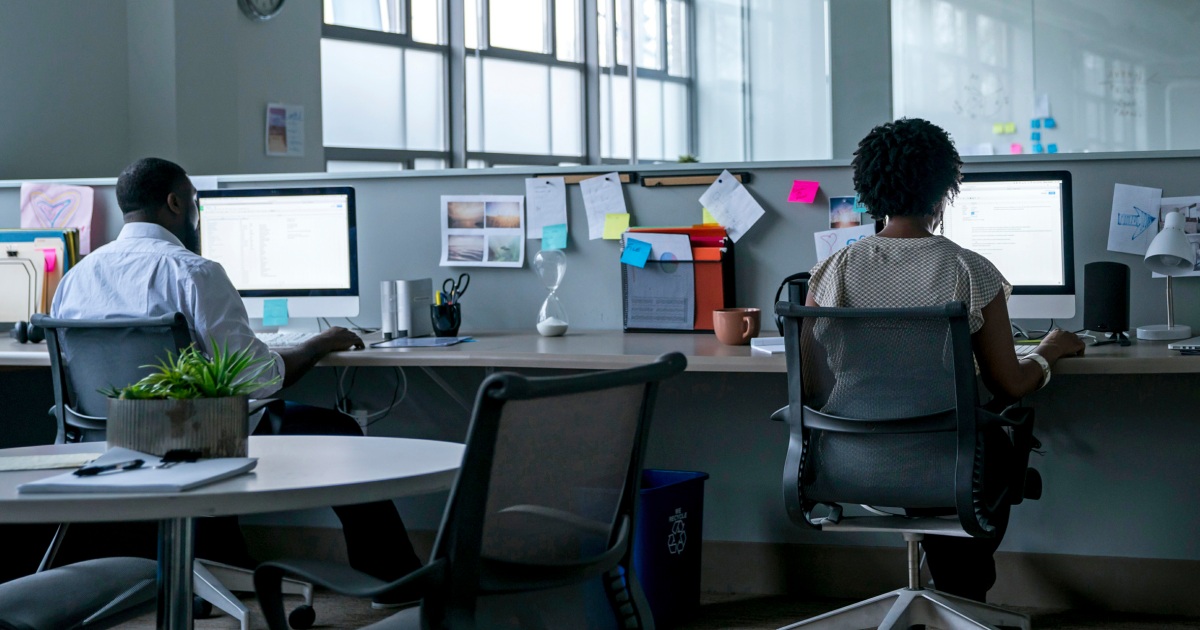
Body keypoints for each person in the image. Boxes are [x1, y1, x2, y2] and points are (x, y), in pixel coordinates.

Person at [49, 157, 422, 594]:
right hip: (193, 435)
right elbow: (257, 379)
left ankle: (220, 553)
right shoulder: (194, 271)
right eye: (193, 201)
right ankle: (397, 582)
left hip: (109, 435)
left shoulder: (74, 279)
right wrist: (318, 344)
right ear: (174, 202)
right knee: (338, 432)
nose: (195, 213)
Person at [805, 118, 1085, 602]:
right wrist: (1050, 348)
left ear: (868, 189)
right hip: (946, 464)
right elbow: (1011, 384)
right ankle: (961, 592)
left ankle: (950, 593)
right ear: (945, 190)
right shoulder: (968, 269)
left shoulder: (833, 270)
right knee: (983, 438)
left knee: (944, 443)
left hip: (849, 461)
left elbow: (811, 384)